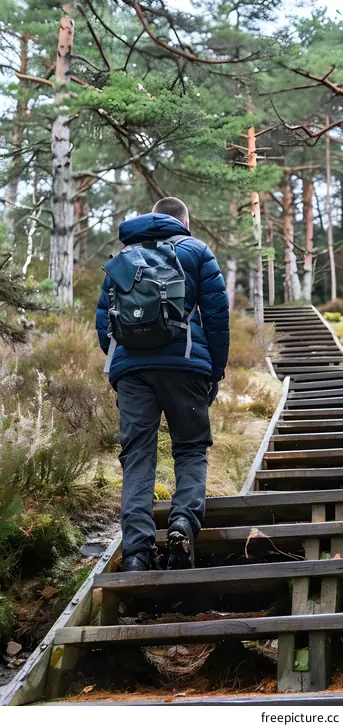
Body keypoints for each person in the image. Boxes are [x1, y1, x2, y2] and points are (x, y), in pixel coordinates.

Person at [96, 197, 230, 571]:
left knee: (137, 456)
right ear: (184, 221)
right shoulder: (196, 252)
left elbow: (103, 320)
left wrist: (122, 365)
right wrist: (213, 371)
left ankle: (137, 552)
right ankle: (184, 523)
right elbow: (218, 318)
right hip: (186, 366)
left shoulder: (122, 259)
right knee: (189, 448)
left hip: (132, 372)